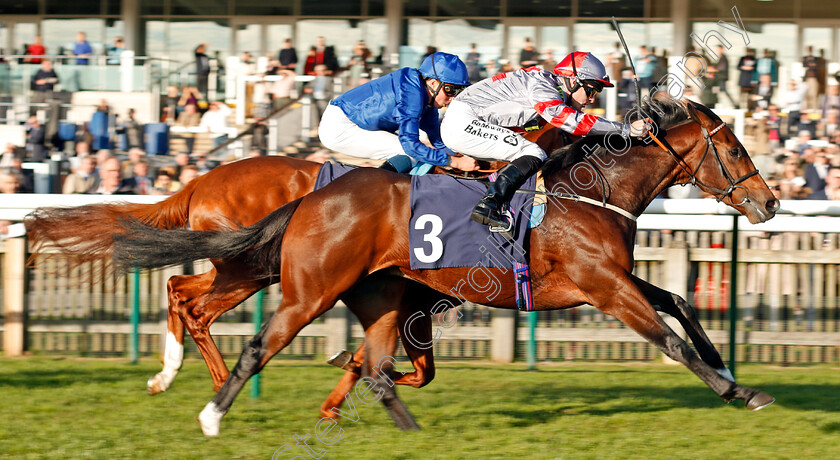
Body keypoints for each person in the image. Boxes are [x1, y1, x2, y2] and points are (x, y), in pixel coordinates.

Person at [438, 51, 646, 228]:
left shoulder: (546, 84)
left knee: (528, 153)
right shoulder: (542, 86)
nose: (592, 98)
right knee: (534, 153)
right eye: (591, 89)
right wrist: (626, 130)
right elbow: (571, 122)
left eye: (596, 92)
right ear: (573, 81)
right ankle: (489, 205)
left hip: (465, 120)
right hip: (463, 122)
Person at [318, 52, 475, 173]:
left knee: (422, 154)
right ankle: (368, 191)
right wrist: (455, 162)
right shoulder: (411, 94)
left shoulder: (425, 96)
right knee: (411, 154)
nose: (452, 98)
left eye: (458, 92)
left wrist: (460, 155)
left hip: (350, 121)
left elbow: (438, 140)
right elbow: (411, 147)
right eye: (450, 90)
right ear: (433, 82)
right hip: (340, 127)